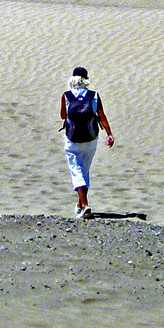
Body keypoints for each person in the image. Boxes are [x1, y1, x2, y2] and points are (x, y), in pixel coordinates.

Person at [59, 66, 113, 218]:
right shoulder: (94, 95)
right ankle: (80, 203)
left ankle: (85, 205)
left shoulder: (67, 95)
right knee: (84, 170)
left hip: (72, 139)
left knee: (77, 171)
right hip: (91, 139)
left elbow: (63, 116)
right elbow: (101, 115)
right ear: (86, 79)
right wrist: (110, 134)